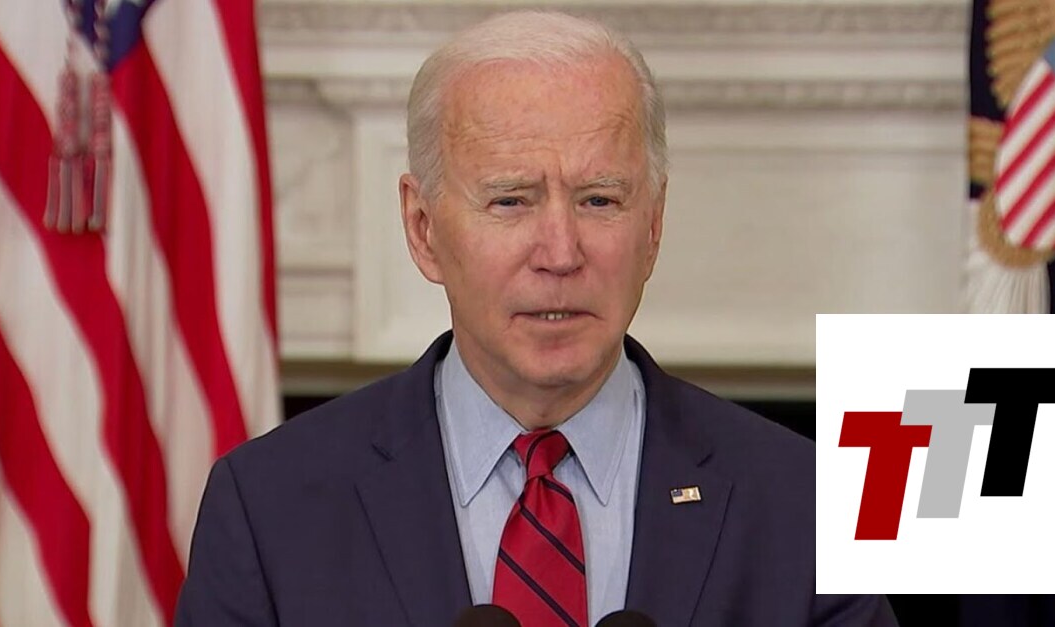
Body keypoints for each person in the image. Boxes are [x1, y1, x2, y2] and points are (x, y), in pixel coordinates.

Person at [175, 11, 896, 627]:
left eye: (599, 200)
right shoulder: (269, 505)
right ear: (423, 229)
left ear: (652, 226)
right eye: (511, 201)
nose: (560, 253)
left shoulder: (806, 503)